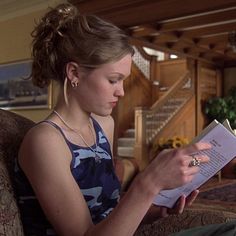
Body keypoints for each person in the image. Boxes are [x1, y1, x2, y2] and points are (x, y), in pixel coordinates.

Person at [15, 3, 212, 236]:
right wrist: (147, 184)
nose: (121, 92)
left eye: (123, 81)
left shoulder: (103, 124)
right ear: (74, 73)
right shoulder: (46, 141)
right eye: (113, 80)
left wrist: (153, 210)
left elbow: (109, 210)